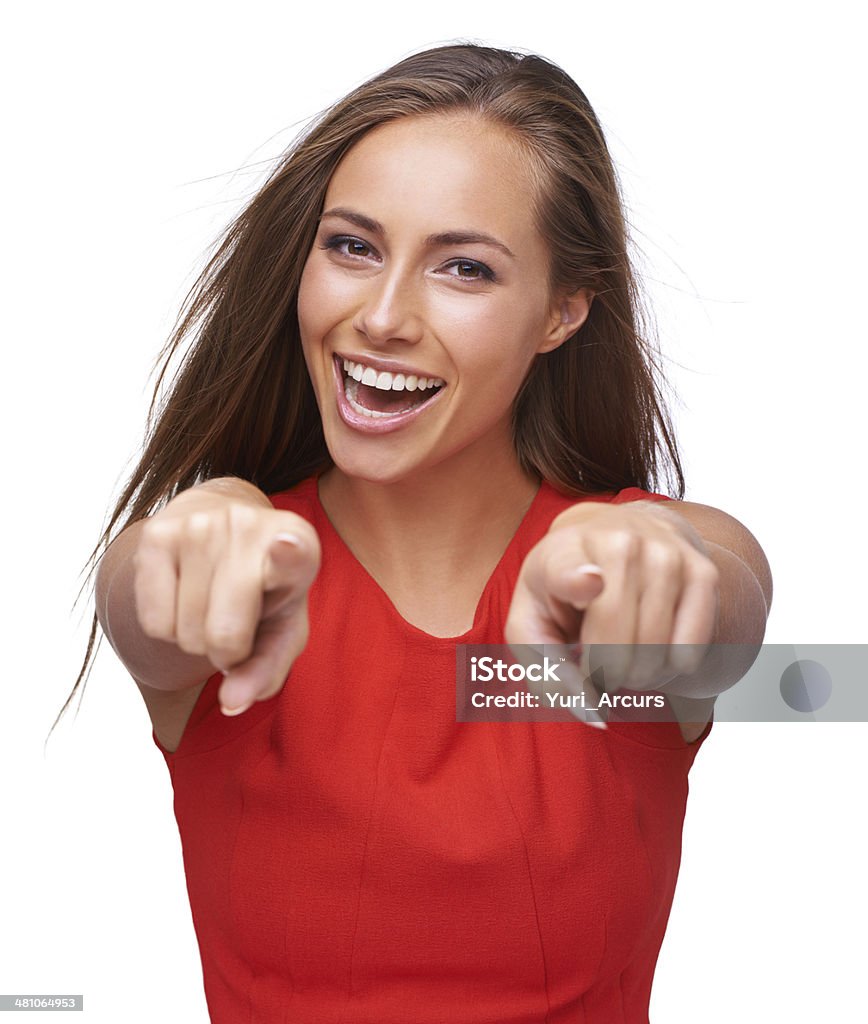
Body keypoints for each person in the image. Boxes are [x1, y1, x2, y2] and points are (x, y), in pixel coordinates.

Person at [62, 43, 772, 1024]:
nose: (383, 316)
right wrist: (170, 548)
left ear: (562, 311)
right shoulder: (227, 574)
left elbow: (728, 598)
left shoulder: (627, 592)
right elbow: (142, 593)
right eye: (351, 246)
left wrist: (671, 558)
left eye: (464, 268)